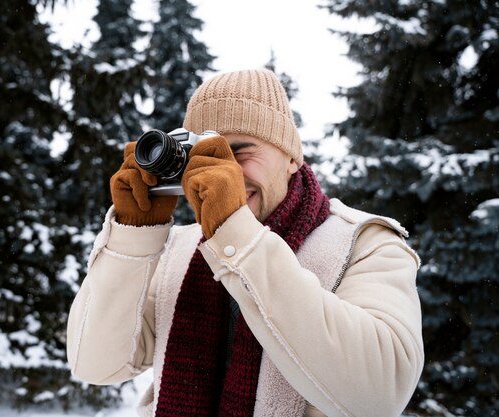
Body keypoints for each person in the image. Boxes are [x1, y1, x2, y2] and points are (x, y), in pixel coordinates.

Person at [66, 69, 424, 417]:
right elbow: (97, 365)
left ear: (291, 157)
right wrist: (133, 235)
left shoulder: (365, 242)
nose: (224, 173)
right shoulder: (179, 249)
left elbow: (378, 397)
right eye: (205, 158)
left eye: (239, 153)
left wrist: (236, 235)